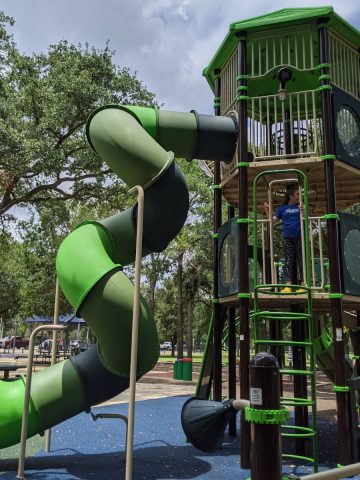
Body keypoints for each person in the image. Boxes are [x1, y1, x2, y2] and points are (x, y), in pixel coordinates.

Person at [264, 184, 305, 293]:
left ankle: (303, 284)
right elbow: (273, 221)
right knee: (289, 261)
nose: (300, 196)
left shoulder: (300, 206)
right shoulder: (282, 209)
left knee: (301, 260)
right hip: (288, 238)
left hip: (299, 237)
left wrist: (303, 210)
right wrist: (269, 211)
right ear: (291, 195)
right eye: (298, 194)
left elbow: (306, 218)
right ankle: (288, 285)